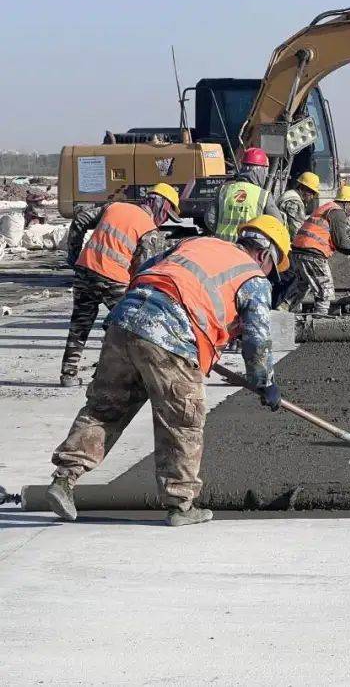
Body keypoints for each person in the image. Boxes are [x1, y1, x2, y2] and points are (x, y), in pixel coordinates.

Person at [46, 215, 290, 527]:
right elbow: (257, 338)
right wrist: (264, 382)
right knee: (181, 421)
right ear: (265, 254)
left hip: (126, 320)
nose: (270, 274)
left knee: (104, 409)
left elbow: (146, 270)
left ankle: (64, 480)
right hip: (171, 335)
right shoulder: (252, 276)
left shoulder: (197, 243)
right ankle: (180, 504)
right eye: (274, 267)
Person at [60, 183, 179, 387]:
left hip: (85, 269)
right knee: (126, 326)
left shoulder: (114, 207)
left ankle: (68, 374)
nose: (165, 219)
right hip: (112, 278)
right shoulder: (147, 228)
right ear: (160, 204)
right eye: (167, 214)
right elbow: (143, 269)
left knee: (80, 323)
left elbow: (80, 219)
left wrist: (73, 254)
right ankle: (107, 374)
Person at [280, 185, 350, 314]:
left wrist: (346, 230)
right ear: (347, 203)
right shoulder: (338, 212)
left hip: (299, 251)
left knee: (300, 286)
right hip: (313, 253)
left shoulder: (328, 207)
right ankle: (320, 319)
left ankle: (281, 311)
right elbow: (341, 243)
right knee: (325, 290)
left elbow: (328, 228)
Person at [212, 146, 282, 241]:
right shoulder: (263, 195)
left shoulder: (223, 190)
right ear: (260, 171)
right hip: (248, 248)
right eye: (265, 171)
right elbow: (277, 223)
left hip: (223, 247)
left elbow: (210, 219)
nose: (265, 175)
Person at [278, 172, 321, 238]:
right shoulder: (294, 202)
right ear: (303, 188)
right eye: (312, 193)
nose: (312, 197)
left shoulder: (290, 194)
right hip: (282, 238)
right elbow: (296, 231)